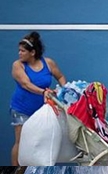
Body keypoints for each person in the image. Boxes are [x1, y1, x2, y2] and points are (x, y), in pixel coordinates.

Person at [9, 31, 66, 166]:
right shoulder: (17, 65)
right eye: (19, 50)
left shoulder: (49, 63)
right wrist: (44, 92)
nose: (19, 53)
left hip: (41, 111)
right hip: (21, 109)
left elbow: (61, 77)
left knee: (39, 140)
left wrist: (64, 90)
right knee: (20, 141)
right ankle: (15, 169)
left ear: (32, 52)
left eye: (23, 51)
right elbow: (26, 84)